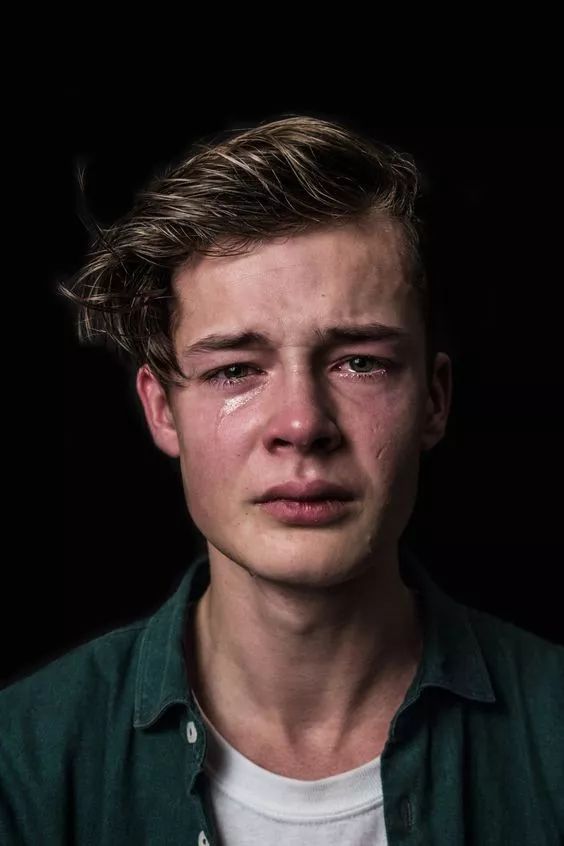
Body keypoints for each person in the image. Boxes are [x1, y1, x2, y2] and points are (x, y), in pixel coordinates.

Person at [1, 116, 562, 845]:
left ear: (434, 399)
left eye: (360, 362)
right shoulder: (24, 763)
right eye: (235, 369)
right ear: (161, 410)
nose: (301, 424)